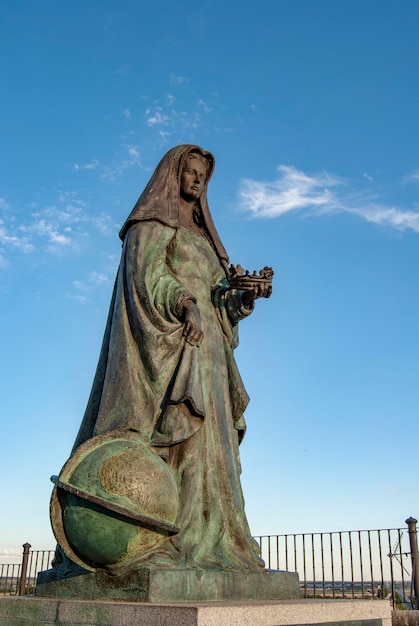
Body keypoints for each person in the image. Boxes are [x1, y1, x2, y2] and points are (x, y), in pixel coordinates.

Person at [71, 145, 271, 571]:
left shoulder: (205, 239)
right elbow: (145, 277)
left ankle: (215, 540)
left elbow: (223, 304)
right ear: (173, 174)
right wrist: (184, 301)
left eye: (204, 177)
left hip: (211, 353)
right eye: (192, 172)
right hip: (174, 348)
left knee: (214, 456)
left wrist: (241, 299)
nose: (198, 181)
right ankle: (162, 535)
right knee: (177, 437)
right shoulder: (151, 224)